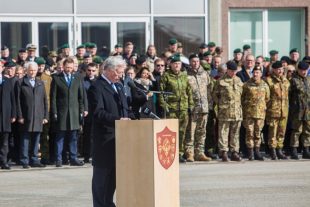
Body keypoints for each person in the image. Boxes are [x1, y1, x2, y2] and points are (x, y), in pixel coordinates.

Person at [88, 56, 131, 207]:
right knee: (101, 179)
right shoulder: (96, 86)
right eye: (119, 72)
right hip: (104, 140)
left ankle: (108, 203)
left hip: (120, 139)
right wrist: (118, 120)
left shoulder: (118, 86)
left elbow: (125, 110)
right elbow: (98, 113)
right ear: (110, 70)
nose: (121, 76)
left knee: (113, 178)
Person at [50, 57, 86, 167]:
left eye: (71, 67)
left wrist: (81, 110)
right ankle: (58, 159)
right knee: (60, 137)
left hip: (74, 113)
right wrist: (54, 112)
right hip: (62, 112)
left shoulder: (78, 78)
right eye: (67, 67)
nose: (69, 69)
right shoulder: (56, 78)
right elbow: (53, 97)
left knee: (73, 137)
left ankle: (73, 158)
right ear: (63, 67)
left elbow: (81, 97)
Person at [159, 54, 193, 162]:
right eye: (175, 64)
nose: (177, 65)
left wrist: (190, 105)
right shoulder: (166, 76)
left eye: (178, 64)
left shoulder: (184, 75)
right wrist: (165, 105)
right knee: (171, 132)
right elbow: (161, 93)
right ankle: (170, 153)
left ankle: (179, 153)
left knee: (182, 132)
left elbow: (189, 91)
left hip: (183, 108)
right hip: (171, 109)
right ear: (171, 65)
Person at [16, 62, 48, 168]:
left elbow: (45, 101)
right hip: (26, 116)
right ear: (26, 70)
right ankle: (24, 160)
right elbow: (18, 101)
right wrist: (20, 116)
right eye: (30, 70)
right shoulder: (21, 82)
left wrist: (45, 116)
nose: (33, 72)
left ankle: (34, 160)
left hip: (38, 116)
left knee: (36, 139)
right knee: (25, 139)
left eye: (34, 70)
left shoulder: (40, 83)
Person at [213, 61, 243, 162]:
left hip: (237, 112)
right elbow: (215, 95)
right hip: (224, 112)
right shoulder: (221, 81)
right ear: (227, 70)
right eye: (231, 71)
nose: (234, 73)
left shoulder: (239, 80)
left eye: (235, 71)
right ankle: (224, 152)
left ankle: (234, 152)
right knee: (223, 132)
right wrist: (221, 104)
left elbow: (242, 95)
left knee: (235, 133)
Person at [185, 53, 212, 162]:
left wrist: (209, 104)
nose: (195, 63)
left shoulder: (205, 74)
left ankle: (200, 153)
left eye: (197, 61)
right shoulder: (186, 75)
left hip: (204, 108)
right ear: (190, 62)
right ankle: (189, 153)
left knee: (202, 132)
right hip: (193, 108)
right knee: (190, 132)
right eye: (193, 61)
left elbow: (209, 90)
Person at [241, 66, 270, 161]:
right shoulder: (246, 85)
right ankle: (250, 153)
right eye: (254, 72)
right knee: (249, 133)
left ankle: (257, 152)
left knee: (258, 133)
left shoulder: (265, 85)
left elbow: (267, 98)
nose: (255, 74)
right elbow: (242, 98)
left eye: (258, 72)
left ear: (261, 74)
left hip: (260, 114)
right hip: (249, 113)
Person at [265, 61, 290, 160]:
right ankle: (273, 151)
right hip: (273, 111)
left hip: (284, 111)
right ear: (274, 70)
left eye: (281, 69)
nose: (280, 71)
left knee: (281, 132)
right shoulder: (269, 81)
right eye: (278, 69)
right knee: (272, 132)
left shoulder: (286, 81)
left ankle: (279, 150)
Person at [289, 61, 310, 159]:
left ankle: (306, 150)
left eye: (305, 70)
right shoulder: (293, 80)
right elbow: (289, 95)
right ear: (298, 70)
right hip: (297, 110)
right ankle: (294, 150)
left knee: (307, 131)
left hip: (308, 110)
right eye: (302, 70)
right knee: (297, 130)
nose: (304, 72)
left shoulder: (309, 80)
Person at [0, 60, 16, 170]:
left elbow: (13, 99)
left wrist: (13, 114)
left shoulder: (7, 81)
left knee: (5, 142)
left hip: (5, 116)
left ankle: (3, 161)